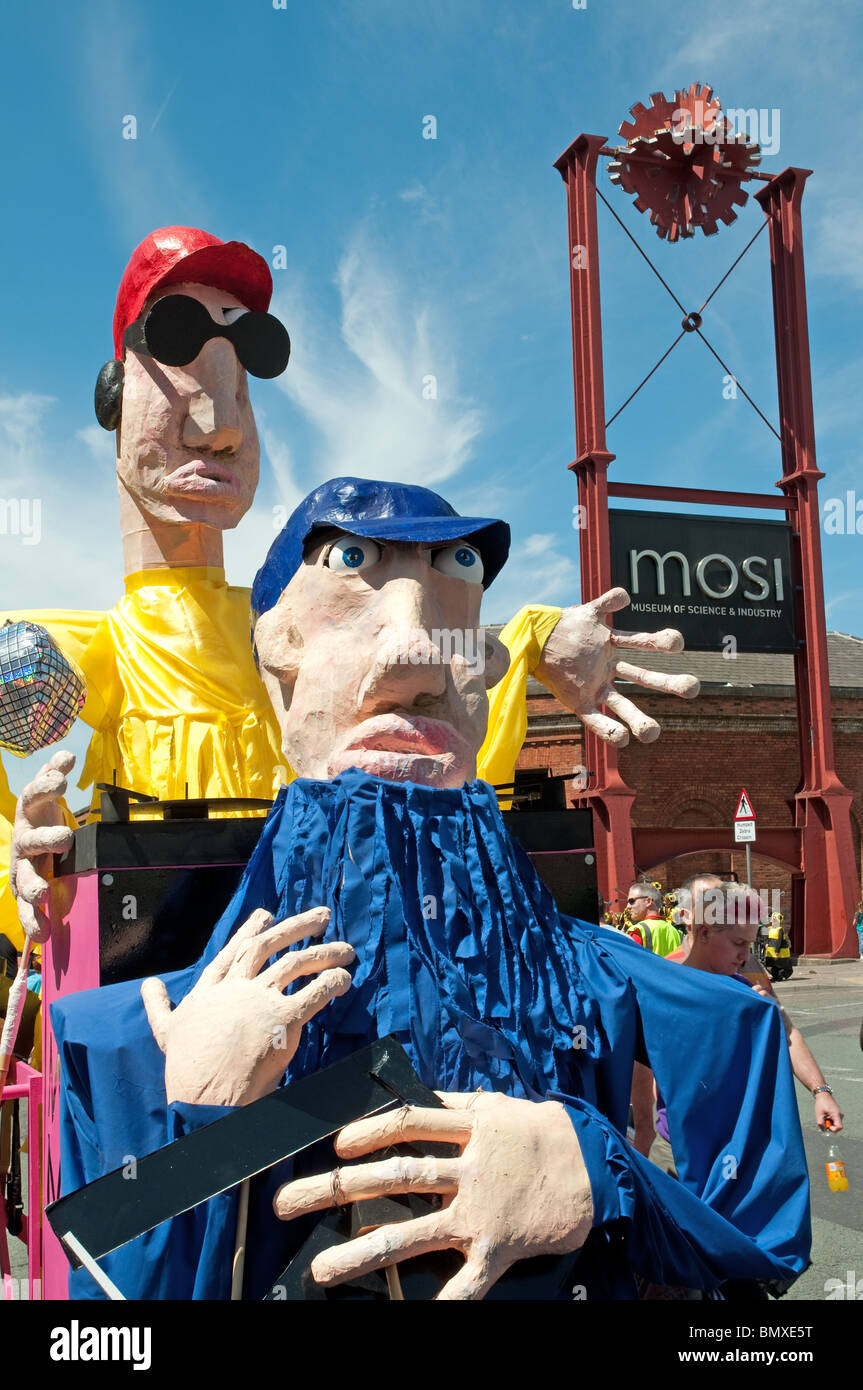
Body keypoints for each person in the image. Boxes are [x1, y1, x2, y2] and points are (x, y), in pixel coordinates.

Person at [47, 478, 809, 1301]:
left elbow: (758, 1258)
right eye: (352, 578)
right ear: (277, 655)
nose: (413, 656)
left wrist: (603, 1174)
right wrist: (198, 1123)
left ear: (484, 669)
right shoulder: (120, 1040)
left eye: (453, 591)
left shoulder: (635, 993)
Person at [2, 227, 701, 950]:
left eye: (241, 378)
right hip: (158, 981)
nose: (220, 429)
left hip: (330, 964)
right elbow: (25, 848)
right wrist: (19, 866)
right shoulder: (62, 651)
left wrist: (528, 643)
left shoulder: (291, 617)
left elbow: (422, 700)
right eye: (176, 344)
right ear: (114, 396)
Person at [635, 875, 843, 1165]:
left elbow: (788, 1032)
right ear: (704, 931)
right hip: (677, 1148)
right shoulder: (662, 982)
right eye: (738, 944)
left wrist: (820, 1091)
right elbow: (640, 1062)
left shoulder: (747, 990)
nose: (746, 956)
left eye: (750, 944)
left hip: (737, 1147)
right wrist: (645, 1125)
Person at [624, 881, 680, 956]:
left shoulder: (637, 931)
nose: (628, 907)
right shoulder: (675, 932)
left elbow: (629, 963)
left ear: (648, 901)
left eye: (631, 901)